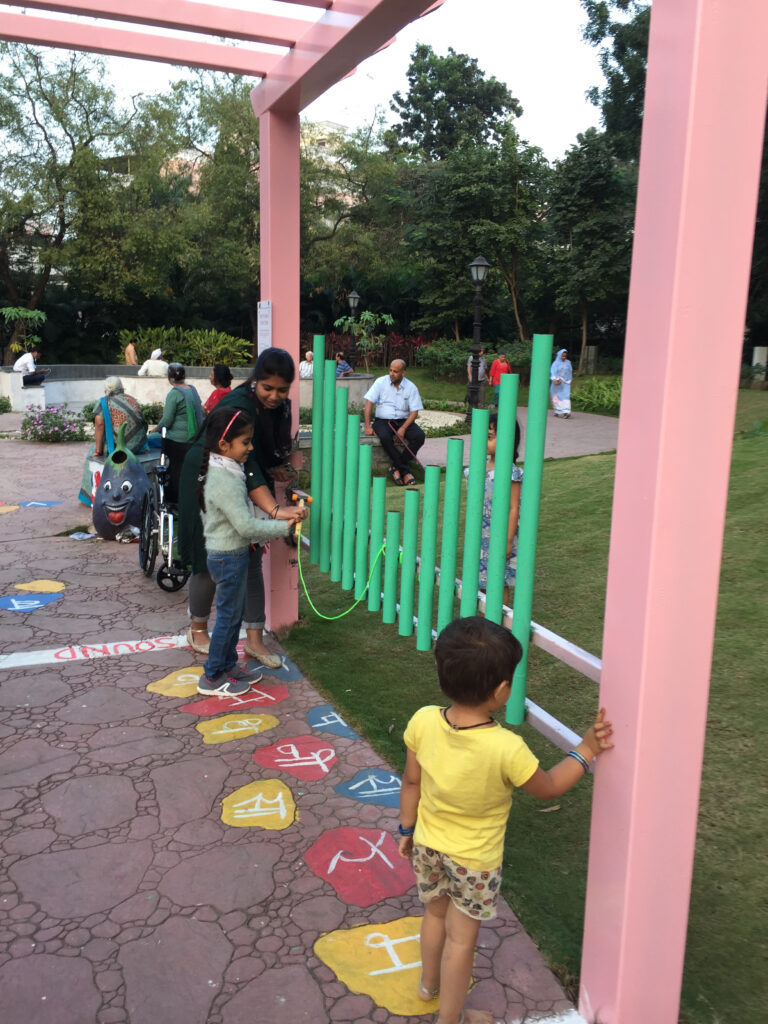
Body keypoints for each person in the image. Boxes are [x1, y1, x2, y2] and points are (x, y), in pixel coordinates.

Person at [398, 616, 614, 1024]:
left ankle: (428, 985)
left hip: (427, 846)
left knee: (433, 915)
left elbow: (411, 781)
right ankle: (451, 1019)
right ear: (500, 692)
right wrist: (585, 750)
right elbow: (548, 787)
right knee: (461, 941)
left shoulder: (423, 720)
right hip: (474, 862)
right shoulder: (506, 748)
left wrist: (406, 829)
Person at [178, 347, 306, 667]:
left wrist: (275, 469)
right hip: (206, 476)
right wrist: (276, 513)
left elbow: (255, 458)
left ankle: (254, 640)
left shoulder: (272, 408)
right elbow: (249, 467)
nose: (275, 396)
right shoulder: (240, 407)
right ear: (255, 381)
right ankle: (197, 630)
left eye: (281, 390)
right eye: (268, 388)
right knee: (209, 555)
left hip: (238, 474)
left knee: (249, 554)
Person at [196, 405, 293, 697]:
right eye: (245, 443)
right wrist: (283, 527)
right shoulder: (224, 479)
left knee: (233, 616)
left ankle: (227, 665)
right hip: (228, 557)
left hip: (231, 555)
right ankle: (212, 676)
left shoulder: (228, 468)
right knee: (227, 618)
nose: (250, 448)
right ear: (224, 445)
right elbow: (246, 527)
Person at [464, 414, 522, 607]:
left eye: (490, 437)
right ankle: (483, 619)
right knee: (481, 581)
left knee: (498, 581)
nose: (484, 442)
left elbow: (514, 508)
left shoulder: (510, 472)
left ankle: (496, 620)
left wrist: (507, 541)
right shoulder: (478, 468)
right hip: (480, 535)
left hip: (499, 535)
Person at [78, 377, 148, 507]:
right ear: (121, 387)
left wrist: (98, 450)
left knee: (91, 454)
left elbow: (99, 424)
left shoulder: (104, 402)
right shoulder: (131, 399)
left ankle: (90, 498)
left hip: (121, 448)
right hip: (139, 445)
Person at [363, 359, 425, 487]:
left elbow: (414, 412)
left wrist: (403, 428)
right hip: (383, 420)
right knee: (385, 437)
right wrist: (368, 426)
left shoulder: (411, 387)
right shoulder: (380, 382)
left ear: (403, 372)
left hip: (403, 420)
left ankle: (395, 467)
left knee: (419, 436)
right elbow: (369, 403)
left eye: (395, 371)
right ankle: (405, 471)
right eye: (390, 370)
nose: (392, 373)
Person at [148, 363, 204, 503]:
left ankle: (175, 500)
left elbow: (167, 420)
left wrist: (156, 428)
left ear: (169, 378)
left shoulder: (174, 394)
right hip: (195, 438)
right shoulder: (193, 390)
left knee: (175, 470)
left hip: (177, 441)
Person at [550, 348, 573, 418]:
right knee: (555, 396)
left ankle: (566, 412)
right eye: (562, 356)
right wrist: (555, 379)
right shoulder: (555, 363)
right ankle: (557, 410)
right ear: (559, 355)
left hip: (565, 382)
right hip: (556, 383)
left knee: (566, 396)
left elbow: (570, 371)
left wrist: (567, 379)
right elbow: (553, 371)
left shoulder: (568, 362)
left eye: (565, 356)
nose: (563, 357)